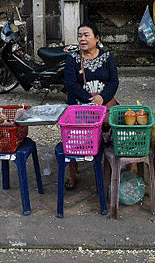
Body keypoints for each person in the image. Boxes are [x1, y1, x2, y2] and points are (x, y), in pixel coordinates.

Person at [64, 22, 119, 189]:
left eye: (86, 35)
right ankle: (72, 173)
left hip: (104, 103)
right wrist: (89, 100)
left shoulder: (107, 57)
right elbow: (71, 84)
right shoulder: (72, 59)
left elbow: (114, 81)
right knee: (74, 137)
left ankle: (111, 166)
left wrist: (102, 98)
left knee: (115, 127)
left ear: (96, 38)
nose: (82, 39)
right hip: (80, 105)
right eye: (80, 35)